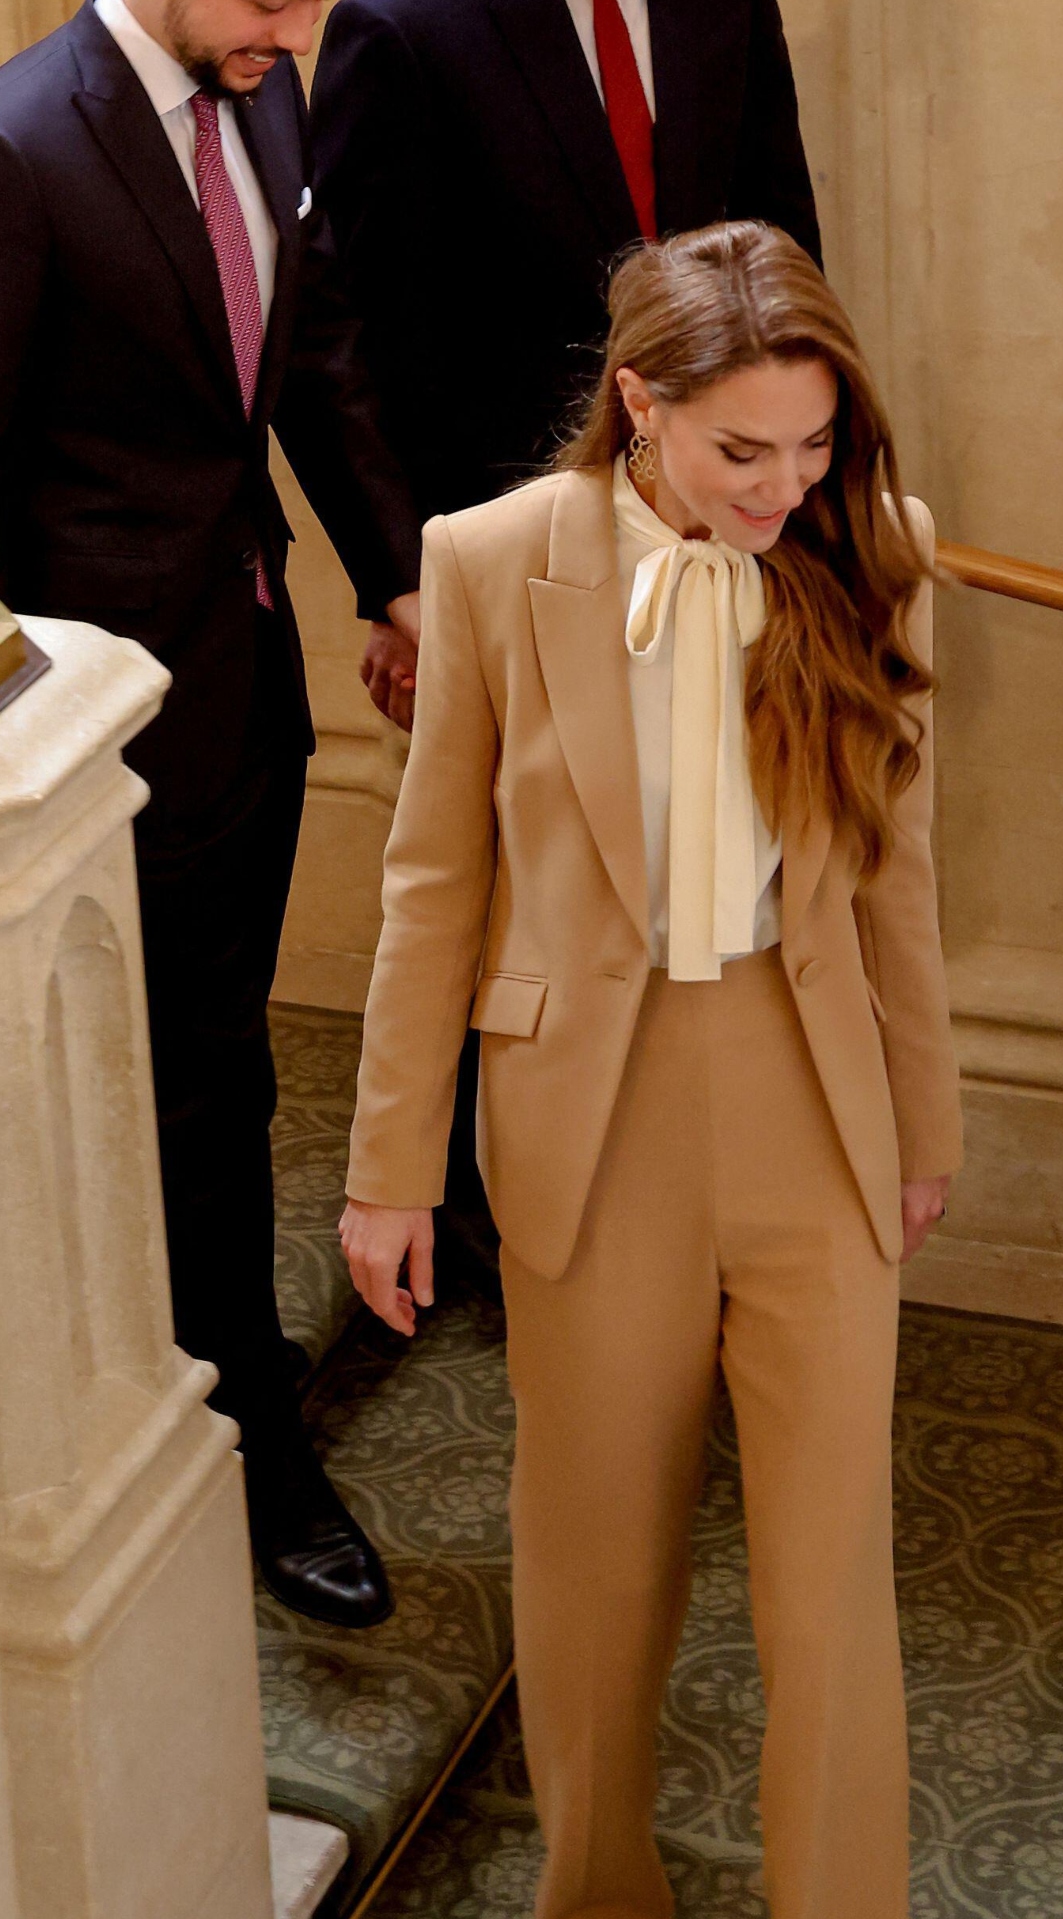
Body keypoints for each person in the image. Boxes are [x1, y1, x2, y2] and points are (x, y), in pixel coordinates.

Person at [340, 221, 961, 1919]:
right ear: (638, 407)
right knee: (594, 1553)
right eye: (739, 452)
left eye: (810, 444)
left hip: (807, 1112)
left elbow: (896, 878)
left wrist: (922, 1121)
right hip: (586, 1125)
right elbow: (432, 879)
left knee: (829, 1606)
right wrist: (385, 1163)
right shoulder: (490, 562)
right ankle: (596, 1874)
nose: (783, 486)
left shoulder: (871, 548)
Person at [0, 0, 425, 1629]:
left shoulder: (257, 90)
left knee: (220, 1060)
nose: (300, 29)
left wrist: (393, 577)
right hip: (100, 724)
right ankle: (247, 1438)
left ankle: (212, 1363)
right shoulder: (24, 143)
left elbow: (311, 354)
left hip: (248, 668)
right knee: (180, 1083)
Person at [309, 0, 822, 1286]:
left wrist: (785, 502)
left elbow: (786, 257)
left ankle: (691, 1191)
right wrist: (400, 581)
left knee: (702, 862)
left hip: (720, 540)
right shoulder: (401, 25)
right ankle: (504, 1219)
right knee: (513, 885)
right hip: (511, 559)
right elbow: (358, 327)